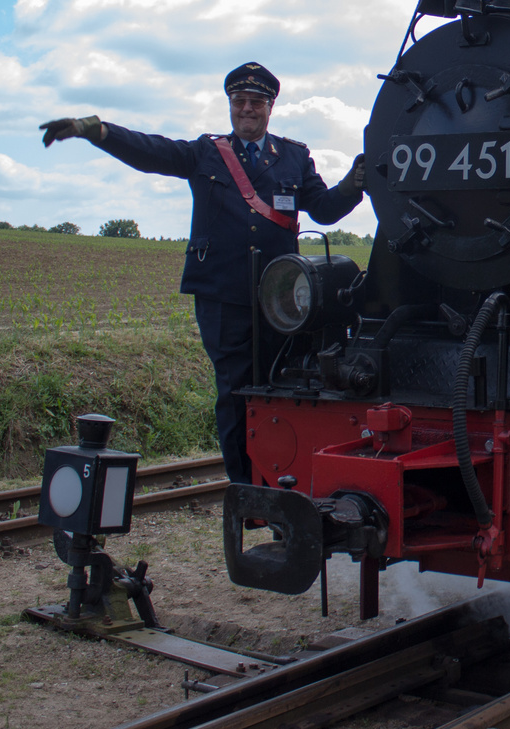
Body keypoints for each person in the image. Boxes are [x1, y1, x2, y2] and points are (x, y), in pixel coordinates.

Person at [38, 62, 365, 485]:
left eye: (256, 102)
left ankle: (284, 486)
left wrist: (355, 183)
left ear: (270, 107)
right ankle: (245, 490)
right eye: (239, 101)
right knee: (234, 394)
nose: (247, 109)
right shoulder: (207, 153)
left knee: (283, 389)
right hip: (222, 295)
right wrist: (98, 131)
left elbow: (323, 207)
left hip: (282, 298)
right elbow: (152, 152)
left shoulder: (293, 157)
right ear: (231, 105)